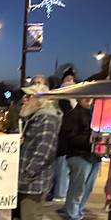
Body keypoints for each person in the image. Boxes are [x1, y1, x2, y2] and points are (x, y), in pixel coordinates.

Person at [14, 82, 63, 220]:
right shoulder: (36, 117)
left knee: (31, 215)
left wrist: (28, 172)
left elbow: (44, 150)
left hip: (33, 178)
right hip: (27, 176)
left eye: (30, 96)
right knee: (23, 213)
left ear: (41, 100)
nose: (25, 99)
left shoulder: (46, 119)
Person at [61, 98, 100, 220]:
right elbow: (68, 137)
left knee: (86, 188)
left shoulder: (94, 113)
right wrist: (92, 140)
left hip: (92, 155)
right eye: (85, 96)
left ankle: (77, 215)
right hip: (79, 155)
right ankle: (73, 217)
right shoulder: (73, 115)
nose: (88, 99)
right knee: (77, 188)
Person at [50, 68, 76, 203]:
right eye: (67, 80)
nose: (69, 82)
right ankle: (58, 192)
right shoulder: (63, 100)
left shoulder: (73, 100)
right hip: (62, 141)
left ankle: (59, 191)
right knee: (60, 168)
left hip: (67, 142)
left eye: (71, 80)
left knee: (62, 169)